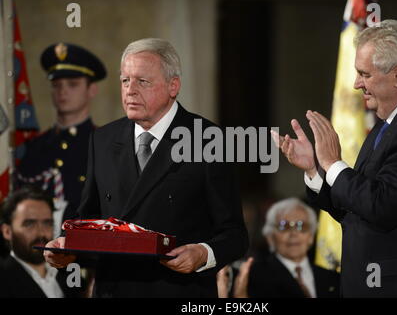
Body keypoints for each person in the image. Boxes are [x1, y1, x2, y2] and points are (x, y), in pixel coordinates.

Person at [43, 38, 249, 298]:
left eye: (143, 81)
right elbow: (87, 219)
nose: (130, 90)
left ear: (173, 86)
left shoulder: (207, 140)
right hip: (113, 290)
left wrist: (203, 253)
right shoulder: (103, 139)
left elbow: (235, 234)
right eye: (125, 80)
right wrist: (66, 246)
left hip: (178, 291)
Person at [273, 20, 397, 297]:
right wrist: (316, 171)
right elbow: (356, 208)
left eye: (364, 74)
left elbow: (382, 205)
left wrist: (333, 163)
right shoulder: (390, 121)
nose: (356, 84)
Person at [16, 43, 107, 236]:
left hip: (86, 257)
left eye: (73, 84)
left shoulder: (105, 146)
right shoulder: (33, 147)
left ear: (92, 90)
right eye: (56, 85)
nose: (62, 91)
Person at [0, 186, 83, 298]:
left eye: (47, 223)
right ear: (7, 231)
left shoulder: (71, 273)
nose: (41, 233)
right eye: (29, 224)